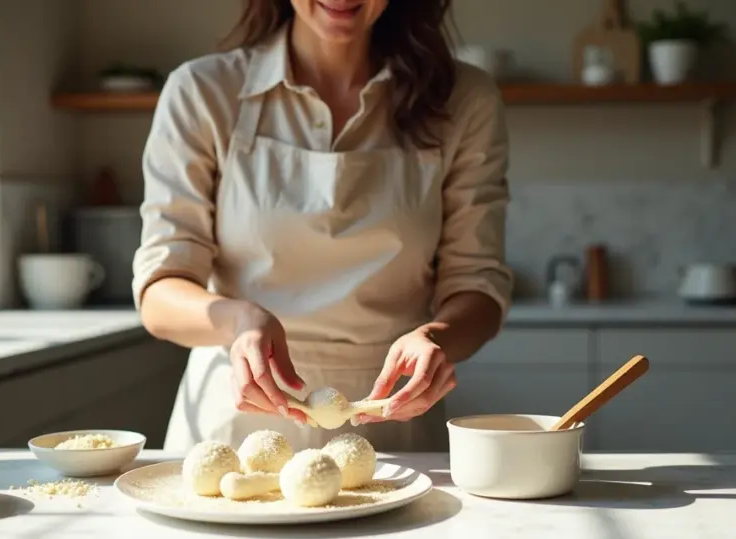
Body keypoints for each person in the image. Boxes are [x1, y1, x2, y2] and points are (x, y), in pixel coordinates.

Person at [133, 0, 513, 454]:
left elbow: (478, 286)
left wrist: (438, 338)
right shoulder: (202, 92)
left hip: (392, 425)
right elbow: (160, 293)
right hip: (236, 427)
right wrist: (240, 320)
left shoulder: (466, 100)